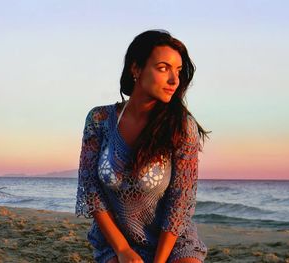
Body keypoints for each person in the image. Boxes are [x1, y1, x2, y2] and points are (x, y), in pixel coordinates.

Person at [75, 29, 209, 263]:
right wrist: (123, 250)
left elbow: (180, 201)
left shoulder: (180, 125)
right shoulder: (99, 120)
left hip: (172, 242)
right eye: (163, 68)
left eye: (177, 71)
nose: (174, 80)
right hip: (117, 240)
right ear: (136, 69)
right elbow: (91, 189)